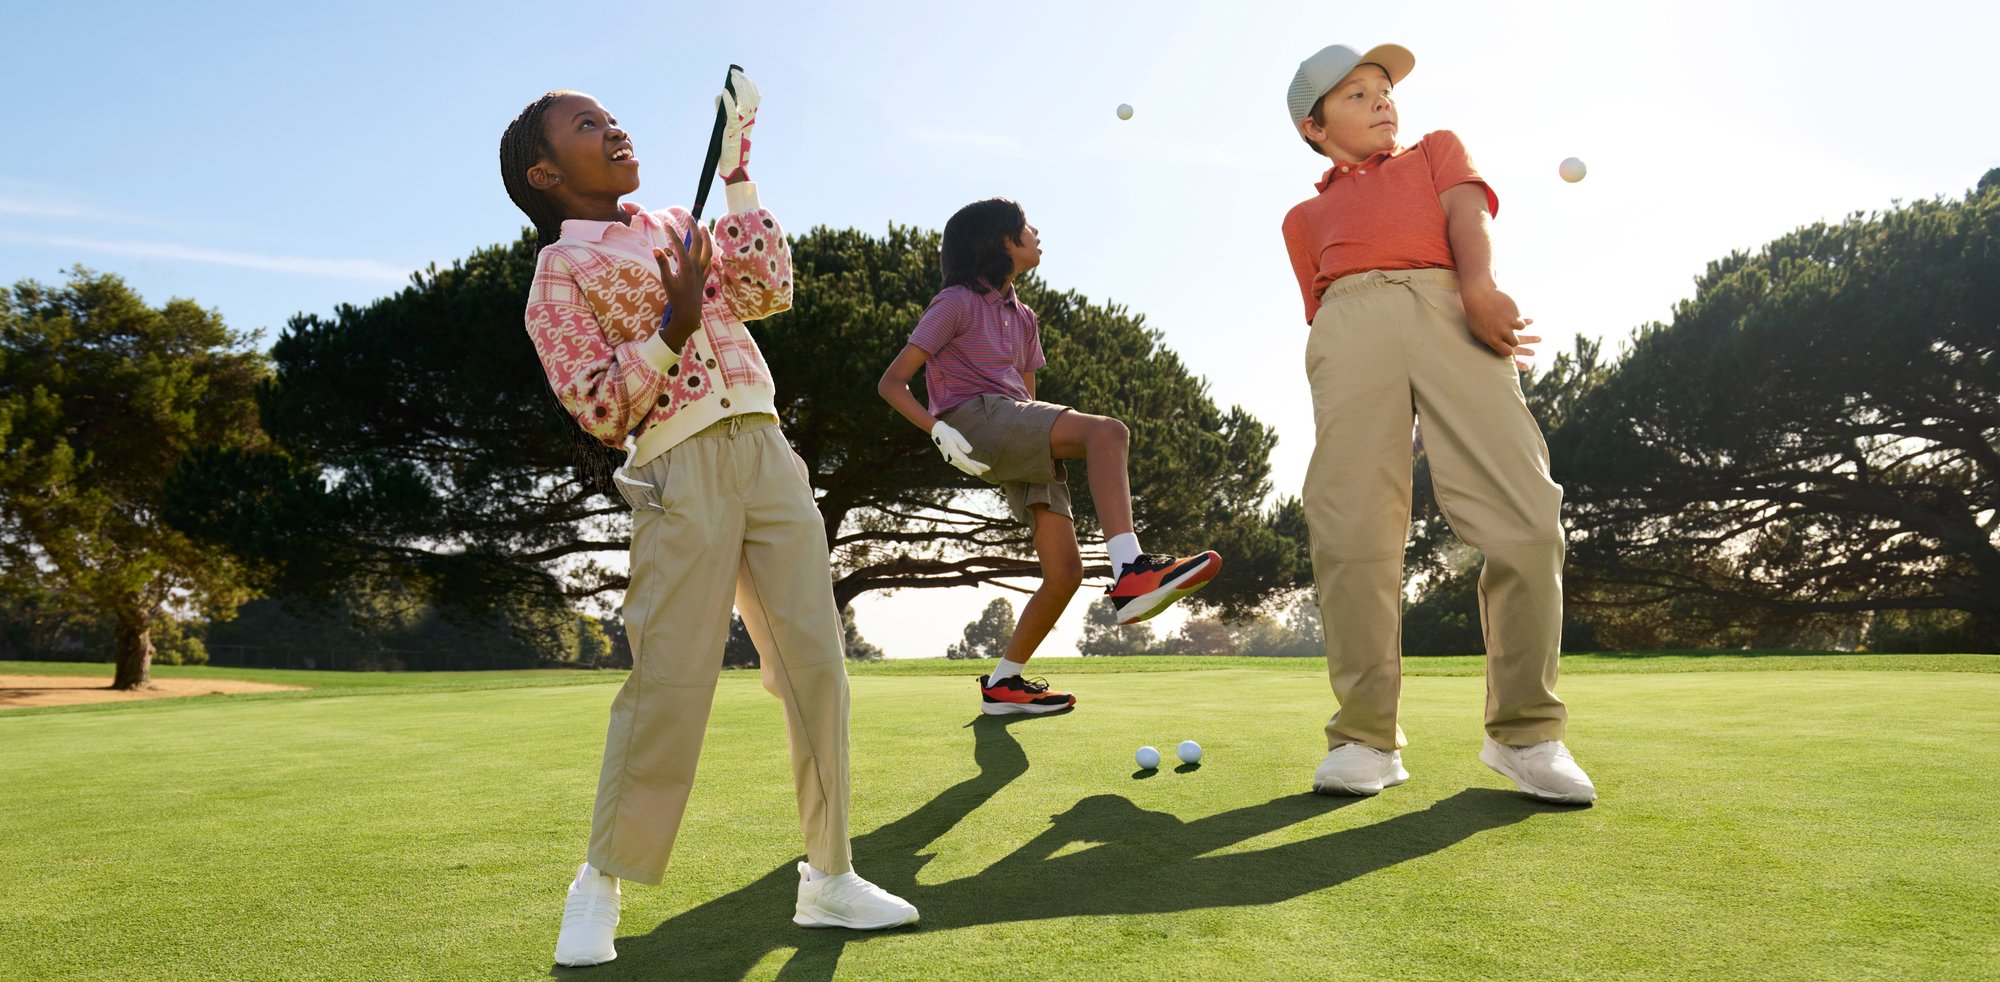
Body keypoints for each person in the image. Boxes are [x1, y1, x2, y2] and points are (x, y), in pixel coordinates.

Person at [499, 75, 917, 968]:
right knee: (671, 680)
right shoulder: (557, 275)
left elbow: (767, 288)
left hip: (767, 449)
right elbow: (600, 407)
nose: (613, 128)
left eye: (612, 116)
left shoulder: (673, 227)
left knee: (816, 669)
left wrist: (737, 176)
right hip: (676, 468)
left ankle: (830, 875)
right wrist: (672, 327)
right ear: (544, 173)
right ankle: (601, 880)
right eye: (586, 124)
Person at [1280, 43, 1597, 804]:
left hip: (1451, 306)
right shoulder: (1302, 218)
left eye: (1384, 89)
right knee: (1353, 530)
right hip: (1349, 324)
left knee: (1528, 518)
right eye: (1356, 95)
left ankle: (1525, 735)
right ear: (1314, 127)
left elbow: (1467, 216)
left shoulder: (1436, 150)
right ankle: (1364, 739)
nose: (1382, 101)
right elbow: (1320, 307)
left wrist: (1479, 288)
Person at [877, 198, 1220, 715]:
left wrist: (1046, 443)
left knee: (1065, 573)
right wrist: (937, 430)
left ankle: (1003, 684)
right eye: (1025, 226)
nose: (1036, 233)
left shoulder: (1024, 317)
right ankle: (1131, 571)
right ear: (1001, 241)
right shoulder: (955, 302)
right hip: (973, 420)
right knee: (1108, 433)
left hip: (1014, 425)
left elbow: (1029, 399)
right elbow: (892, 382)